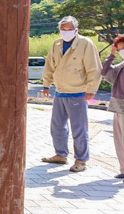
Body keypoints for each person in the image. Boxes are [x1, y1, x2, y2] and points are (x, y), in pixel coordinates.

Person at [41, 16, 102, 172]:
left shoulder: (86, 44)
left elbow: (94, 69)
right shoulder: (56, 44)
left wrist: (91, 90)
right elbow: (49, 65)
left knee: (79, 129)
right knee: (57, 127)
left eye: (69, 29)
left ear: (76, 29)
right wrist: (46, 85)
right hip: (60, 92)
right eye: (63, 29)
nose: (66, 32)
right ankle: (60, 155)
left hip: (77, 92)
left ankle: (81, 160)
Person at [102, 34, 124, 178]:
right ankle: (123, 169)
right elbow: (105, 72)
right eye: (120, 49)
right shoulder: (121, 66)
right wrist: (111, 55)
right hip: (118, 105)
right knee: (119, 138)